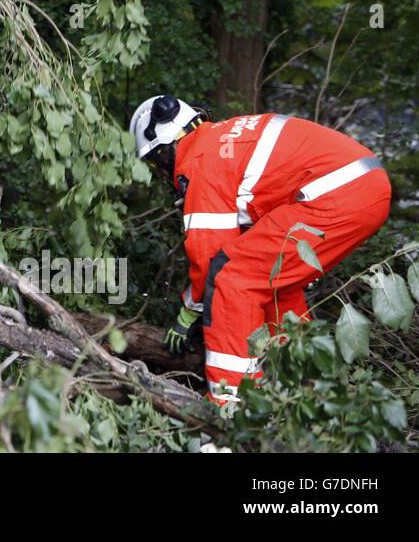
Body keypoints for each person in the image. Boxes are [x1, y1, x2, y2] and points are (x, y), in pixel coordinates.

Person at [128, 95, 392, 405]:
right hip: (362, 186)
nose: (161, 173)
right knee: (274, 280)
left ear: (163, 150)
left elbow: (210, 255)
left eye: (156, 164)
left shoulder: (200, 160)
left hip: (336, 195)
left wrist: (188, 312)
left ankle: (229, 407)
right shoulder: (219, 138)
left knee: (233, 278)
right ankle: (301, 387)